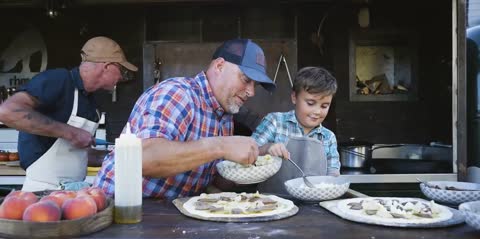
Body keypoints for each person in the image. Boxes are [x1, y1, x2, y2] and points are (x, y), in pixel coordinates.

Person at [94, 39, 276, 201]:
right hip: (117, 210)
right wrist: (221, 146)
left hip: (166, 218)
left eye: (255, 85)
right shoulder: (178, 93)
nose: (251, 92)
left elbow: (214, 179)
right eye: (246, 79)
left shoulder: (224, 116)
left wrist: (257, 159)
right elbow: (143, 158)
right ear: (219, 66)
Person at [0, 36, 138, 192]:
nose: (121, 77)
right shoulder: (59, 80)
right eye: (121, 70)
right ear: (107, 66)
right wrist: (71, 133)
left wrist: (113, 157)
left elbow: (75, 154)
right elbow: (8, 112)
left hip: (74, 194)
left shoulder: (92, 101)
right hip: (41, 193)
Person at [251, 66, 340, 195]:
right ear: (294, 97)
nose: (317, 111)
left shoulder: (328, 137)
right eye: (310, 103)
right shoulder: (275, 122)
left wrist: (333, 183)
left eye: (324, 106)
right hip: (272, 202)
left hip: (313, 206)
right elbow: (248, 154)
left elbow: (333, 174)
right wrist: (267, 148)